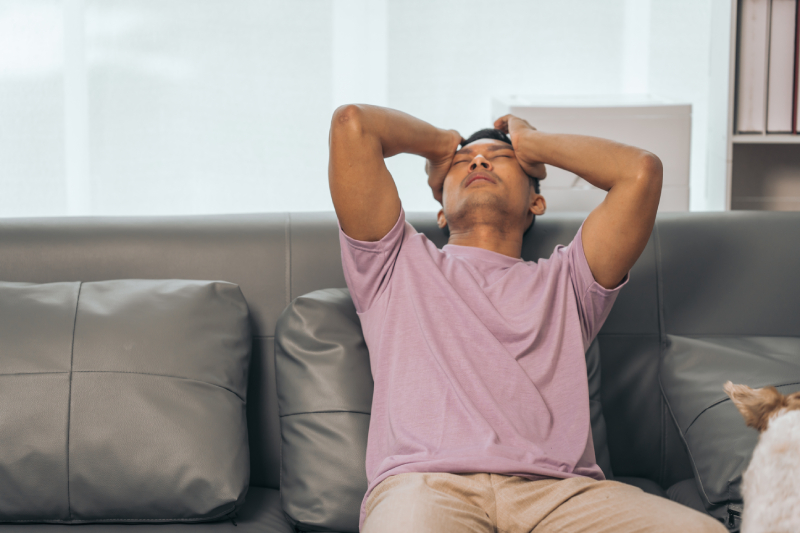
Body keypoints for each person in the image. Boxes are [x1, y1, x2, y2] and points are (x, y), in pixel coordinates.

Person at [328, 104, 726, 533]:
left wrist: (530, 143)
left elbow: (641, 172)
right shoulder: (396, 263)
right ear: (440, 211)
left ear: (537, 200)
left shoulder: (569, 282)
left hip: (561, 495)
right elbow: (353, 124)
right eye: (464, 163)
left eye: (499, 158)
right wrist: (443, 146)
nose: (478, 160)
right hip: (427, 487)